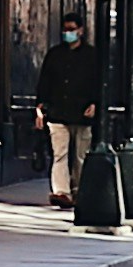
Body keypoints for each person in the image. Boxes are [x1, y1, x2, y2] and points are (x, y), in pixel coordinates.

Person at [33, 23, 102, 209]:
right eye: (65, 29)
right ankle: (61, 191)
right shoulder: (55, 54)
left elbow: (99, 82)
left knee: (81, 155)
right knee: (59, 154)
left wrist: (95, 104)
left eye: (72, 29)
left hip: (82, 112)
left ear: (81, 30)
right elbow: (44, 82)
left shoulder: (91, 55)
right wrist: (39, 107)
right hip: (57, 112)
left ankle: (79, 190)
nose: (67, 33)